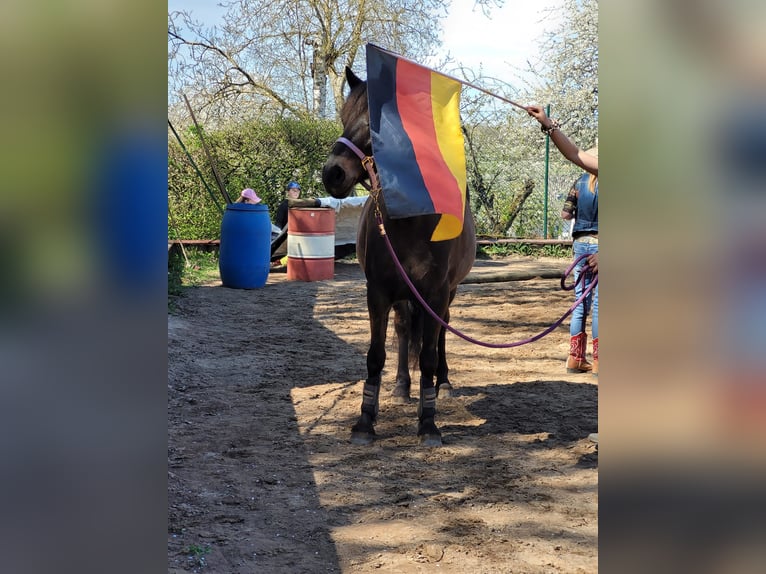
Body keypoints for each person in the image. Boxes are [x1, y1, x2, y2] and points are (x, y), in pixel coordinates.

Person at [527, 105, 599, 376]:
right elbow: (575, 153)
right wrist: (548, 125)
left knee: (583, 301)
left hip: (582, 242)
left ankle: (575, 358)